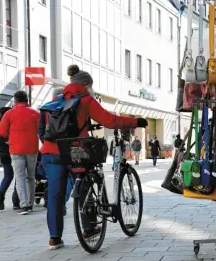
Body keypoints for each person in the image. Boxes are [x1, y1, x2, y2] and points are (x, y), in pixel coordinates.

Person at [40, 65, 148, 250]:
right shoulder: (86, 100)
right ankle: (89, 229)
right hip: (76, 152)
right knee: (85, 187)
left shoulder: (51, 103)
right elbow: (110, 120)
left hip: (50, 154)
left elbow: (42, 131)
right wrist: (136, 121)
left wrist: (55, 145)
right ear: (85, 84)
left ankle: (54, 238)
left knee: (55, 196)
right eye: (91, 85)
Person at [0, 91, 39, 215]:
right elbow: (42, 129)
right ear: (27, 100)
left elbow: (2, 132)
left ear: (15, 101)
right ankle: (31, 204)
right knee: (30, 177)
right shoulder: (35, 113)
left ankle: (24, 205)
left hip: (16, 149)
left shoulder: (9, 113)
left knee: (20, 177)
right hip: (32, 149)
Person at [38, 87, 73, 212]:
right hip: (66, 149)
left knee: (54, 179)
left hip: (48, 149)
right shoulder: (70, 106)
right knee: (70, 177)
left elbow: (41, 129)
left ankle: (54, 203)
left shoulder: (46, 107)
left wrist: (45, 141)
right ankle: (61, 201)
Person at [0, 107, 18, 211]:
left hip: (3, 154)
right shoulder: (12, 123)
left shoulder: (0, 125)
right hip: (15, 152)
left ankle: (0, 196)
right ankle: (16, 202)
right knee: (19, 176)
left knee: (8, 176)